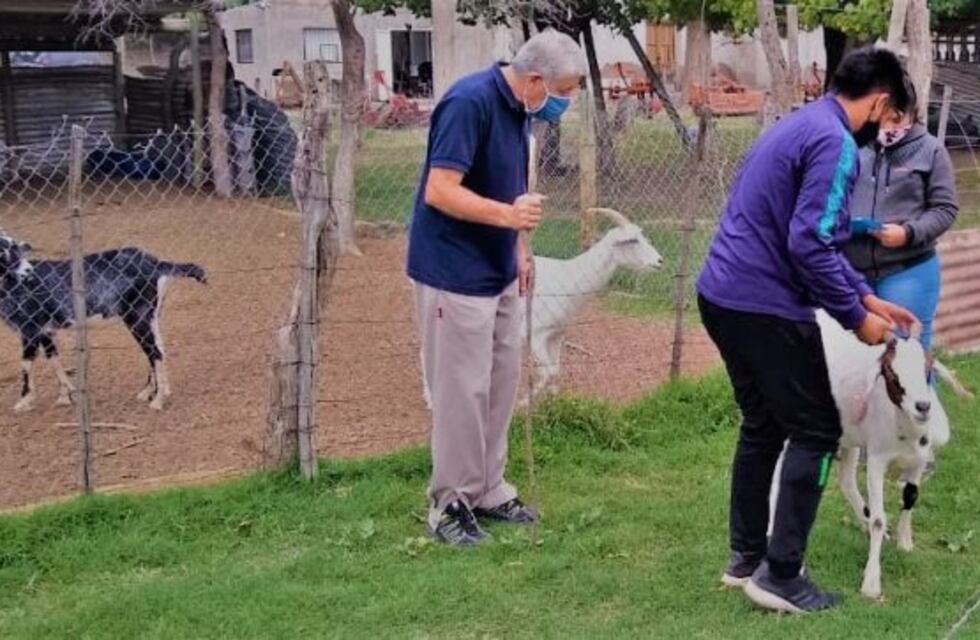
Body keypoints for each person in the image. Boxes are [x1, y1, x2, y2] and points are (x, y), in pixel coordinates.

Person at [695, 47, 919, 613]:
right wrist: (855, 317)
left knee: (764, 424)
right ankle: (782, 574)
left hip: (721, 294)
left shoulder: (798, 123)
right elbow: (808, 243)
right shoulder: (836, 143)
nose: (884, 131)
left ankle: (746, 559)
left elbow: (811, 233)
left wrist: (865, 295)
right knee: (817, 430)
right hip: (763, 303)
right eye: (890, 120)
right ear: (881, 102)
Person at [407, 30, 586, 546]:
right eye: (565, 91)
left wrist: (519, 247)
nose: (565, 103)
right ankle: (450, 503)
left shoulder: (521, 113)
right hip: (453, 272)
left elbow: (509, 185)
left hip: (499, 267)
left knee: (500, 383)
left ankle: (488, 489)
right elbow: (440, 191)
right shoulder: (469, 102)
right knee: (461, 391)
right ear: (535, 81)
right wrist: (508, 216)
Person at [844, 77, 958, 369]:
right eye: (884, 119)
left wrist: (908, 233)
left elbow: (945, 209)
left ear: (912, 112)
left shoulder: (930, 150)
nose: (890, 128)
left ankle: (922, 412)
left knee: (909, 362)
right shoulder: (852, 146)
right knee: (856, 364)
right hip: (851, 271)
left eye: (898, 119)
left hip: (908, 271)